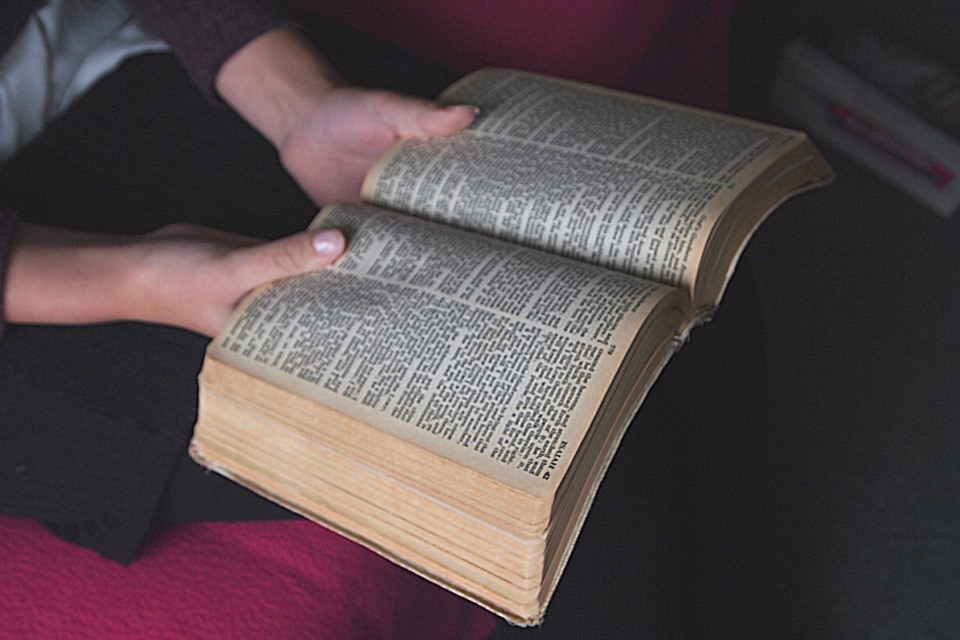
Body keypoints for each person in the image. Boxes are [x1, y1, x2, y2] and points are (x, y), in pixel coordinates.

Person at [0, 0, 475, 561]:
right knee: (437, 438)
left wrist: (297, 101)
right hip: (33, 286)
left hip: (116, 41)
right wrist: (136, 279)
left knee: (450, 160)